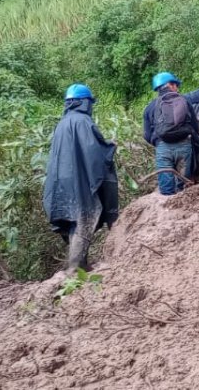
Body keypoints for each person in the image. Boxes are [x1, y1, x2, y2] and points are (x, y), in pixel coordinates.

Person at [43, 83, 120, 272]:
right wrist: (109, 147)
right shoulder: (83, 122)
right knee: (83, 219)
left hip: (61, 185)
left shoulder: (61, 124)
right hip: (79, 183)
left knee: (73, 222)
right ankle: (76, 269)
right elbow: (94, 154)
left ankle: (80, 265)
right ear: (84, 102)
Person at [143, 72, 199, 195]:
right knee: (183, 186)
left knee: (166, 189)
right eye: (176, 84)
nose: (177, 87)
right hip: (184, 146)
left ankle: (168, 210)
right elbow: (196, 127)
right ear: (170, 85)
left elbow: (147, 136)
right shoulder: (184, 101)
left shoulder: (150, 107)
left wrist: (160, 143)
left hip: (162, 148)